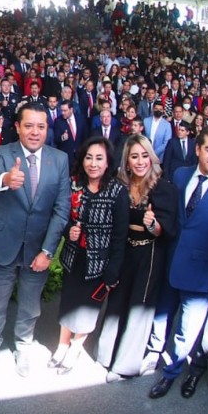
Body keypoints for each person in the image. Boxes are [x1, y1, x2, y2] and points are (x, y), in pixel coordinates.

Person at [0, 102, 71, 376]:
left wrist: (48, 250)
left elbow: (62, 208)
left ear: (47, 129)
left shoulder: (60, 159)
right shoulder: (1, 152)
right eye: (28, 125)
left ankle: (23, 345)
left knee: (30, 305)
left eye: (41, 126)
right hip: (3, 243)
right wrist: (7, 178)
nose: (34, 132)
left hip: (37, 249)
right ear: (17, 127)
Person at [96, 134, 177, 382]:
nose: (140, 161)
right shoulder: (119, 186)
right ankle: (106, 356)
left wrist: (153, 225)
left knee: (139, 306)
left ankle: (125, 365)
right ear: (127, 161)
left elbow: (167, 229)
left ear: (152, 158)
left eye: (145, 156)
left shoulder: (165, 188)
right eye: (134, 156)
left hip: (150, 254)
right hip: (124, 250)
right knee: (117, 301)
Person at [48, 137, 128, 374]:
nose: (93, 163)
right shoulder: (74, 185)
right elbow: (62, 217)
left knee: (87, 308)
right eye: (89, 157)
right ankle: (62, 345)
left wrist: (113, 270)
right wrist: (67, 231)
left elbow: (119, 236)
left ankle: (74, 349)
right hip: (74, 257)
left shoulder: (117, 191)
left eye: (99, 158)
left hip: (100, 264)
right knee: (68, 302)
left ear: (107, 163)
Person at [148, 125, 208, 398]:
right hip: (171, 263)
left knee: (187, 330)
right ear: (197, 149)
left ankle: (171, 373)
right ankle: (153, 356)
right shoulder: (180, 174)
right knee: (160, 317)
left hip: (201, 272)